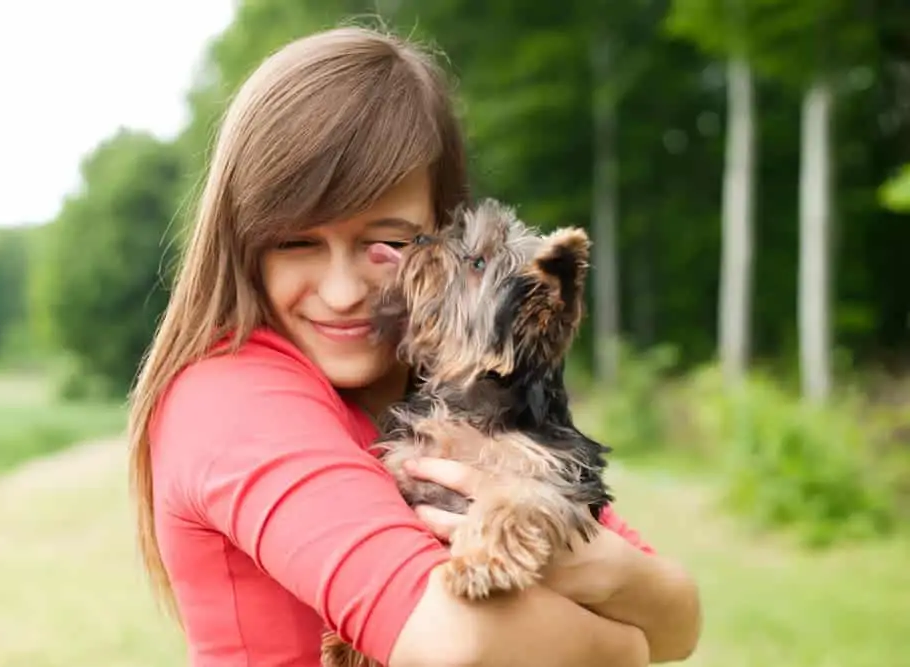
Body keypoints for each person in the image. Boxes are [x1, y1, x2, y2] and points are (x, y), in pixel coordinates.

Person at [127, 25, 701, 667]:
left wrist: (600, 566)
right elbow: (463, 646)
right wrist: (625, 646)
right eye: (296, 243)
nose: (344, 293)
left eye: (388, 245)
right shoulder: (230, 397)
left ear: (442, 237)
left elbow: (681, 617)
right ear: (243, 245)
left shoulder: (455, 405)